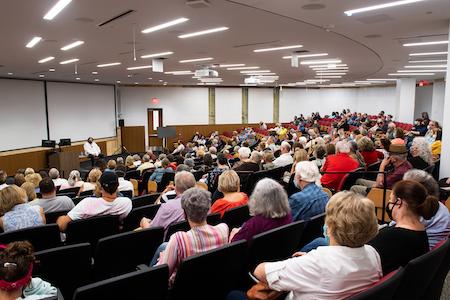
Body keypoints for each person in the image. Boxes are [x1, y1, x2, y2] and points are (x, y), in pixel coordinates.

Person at [250, 191, 381, 300]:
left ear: (331, 227)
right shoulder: (372, 253)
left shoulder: (319, 262)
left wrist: (305, 263)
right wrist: (306, 261)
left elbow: (260, 271)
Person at [155, 188, 229, 284]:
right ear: (208, 210)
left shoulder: (178, 239)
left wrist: (162, 258)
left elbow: (161, 276)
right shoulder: (223, 229)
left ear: (185, 214)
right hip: (214, 281)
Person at [368, 180, 439, 275]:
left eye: (390, 201)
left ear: (399, 202)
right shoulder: (421, 230)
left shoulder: (390, 236)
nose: (388, 206)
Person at [56, 172, 132, 232]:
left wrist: (61, 218)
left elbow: (62, 226)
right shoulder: (126, 203)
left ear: (101, 188)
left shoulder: (87, 203)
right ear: (117, 186)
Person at [402, 170, 450, 249]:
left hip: (421, 252)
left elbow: (395, 233)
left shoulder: (419, 211)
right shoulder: (439, 206)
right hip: (433, 254)